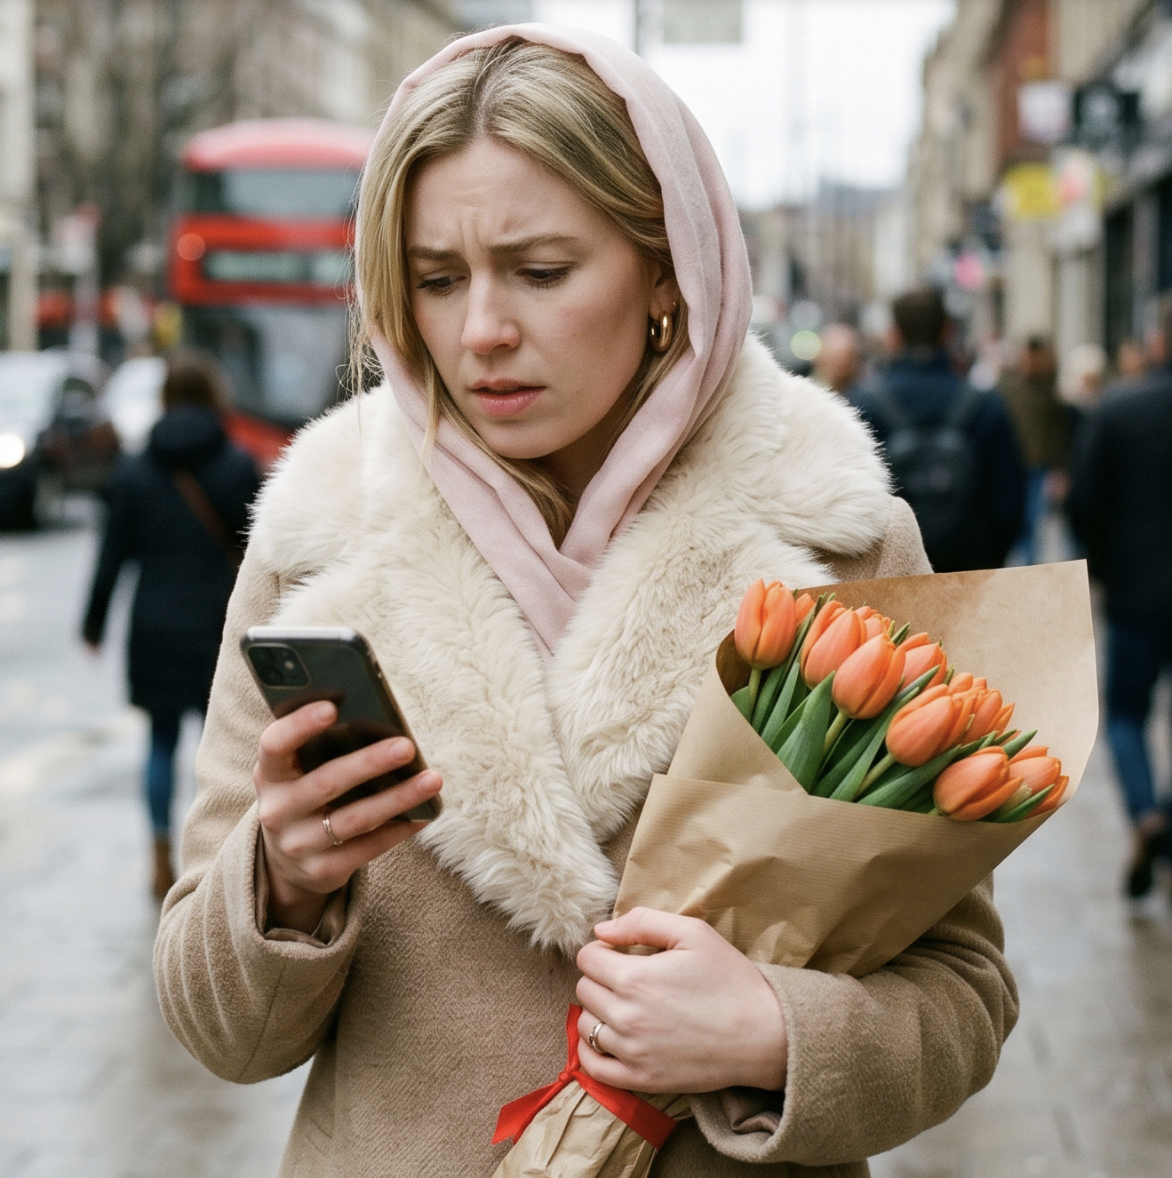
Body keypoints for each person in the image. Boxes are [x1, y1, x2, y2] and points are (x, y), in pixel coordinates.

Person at [153, 29, 1016, 1176]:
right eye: (436, 277)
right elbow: (218, 1028)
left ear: (668, 269)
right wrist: (282, 880)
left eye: (542, 271)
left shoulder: (841, 542)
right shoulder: (317, 538)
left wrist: (771, 1028)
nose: (480, 332)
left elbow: (961, 987)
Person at [83, 352, 260, 899]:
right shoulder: (236, 464)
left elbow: (112, 554)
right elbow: (262, 554)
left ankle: (160, 858)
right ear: (213, 396)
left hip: (154, 624)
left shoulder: (135, 469)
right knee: (227, 752)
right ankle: (220, 866)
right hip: (218, 624)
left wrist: (93, 624)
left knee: (160, 743)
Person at [1068, 299, 1172, 900]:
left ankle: (1145, 815)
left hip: (1136, 592)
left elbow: (1084, 501)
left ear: (1157, 342)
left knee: (1128, 716)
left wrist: (1102, 567)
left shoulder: (1119, 408)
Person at [852, 287, 1025, 573]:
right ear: (948, 332)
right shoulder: (987, 406)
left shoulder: (864, 406)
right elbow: (1010, 504)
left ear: (893, 335)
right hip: (973, 575)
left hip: (891, 583)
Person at [1000, 336, 1072, 565]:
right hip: (1014, 465)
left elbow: (1058, 434)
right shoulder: (1008, 386)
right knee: (1017, 520)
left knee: (1032, 520)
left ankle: (1028, 568)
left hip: (1038, 467)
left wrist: (1060, 467)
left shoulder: (1050, 391)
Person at [813, 321, 862, 396]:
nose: (839, 366)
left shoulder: (865, 399)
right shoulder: (806, 388)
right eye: (832, 359)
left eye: (845, 359)